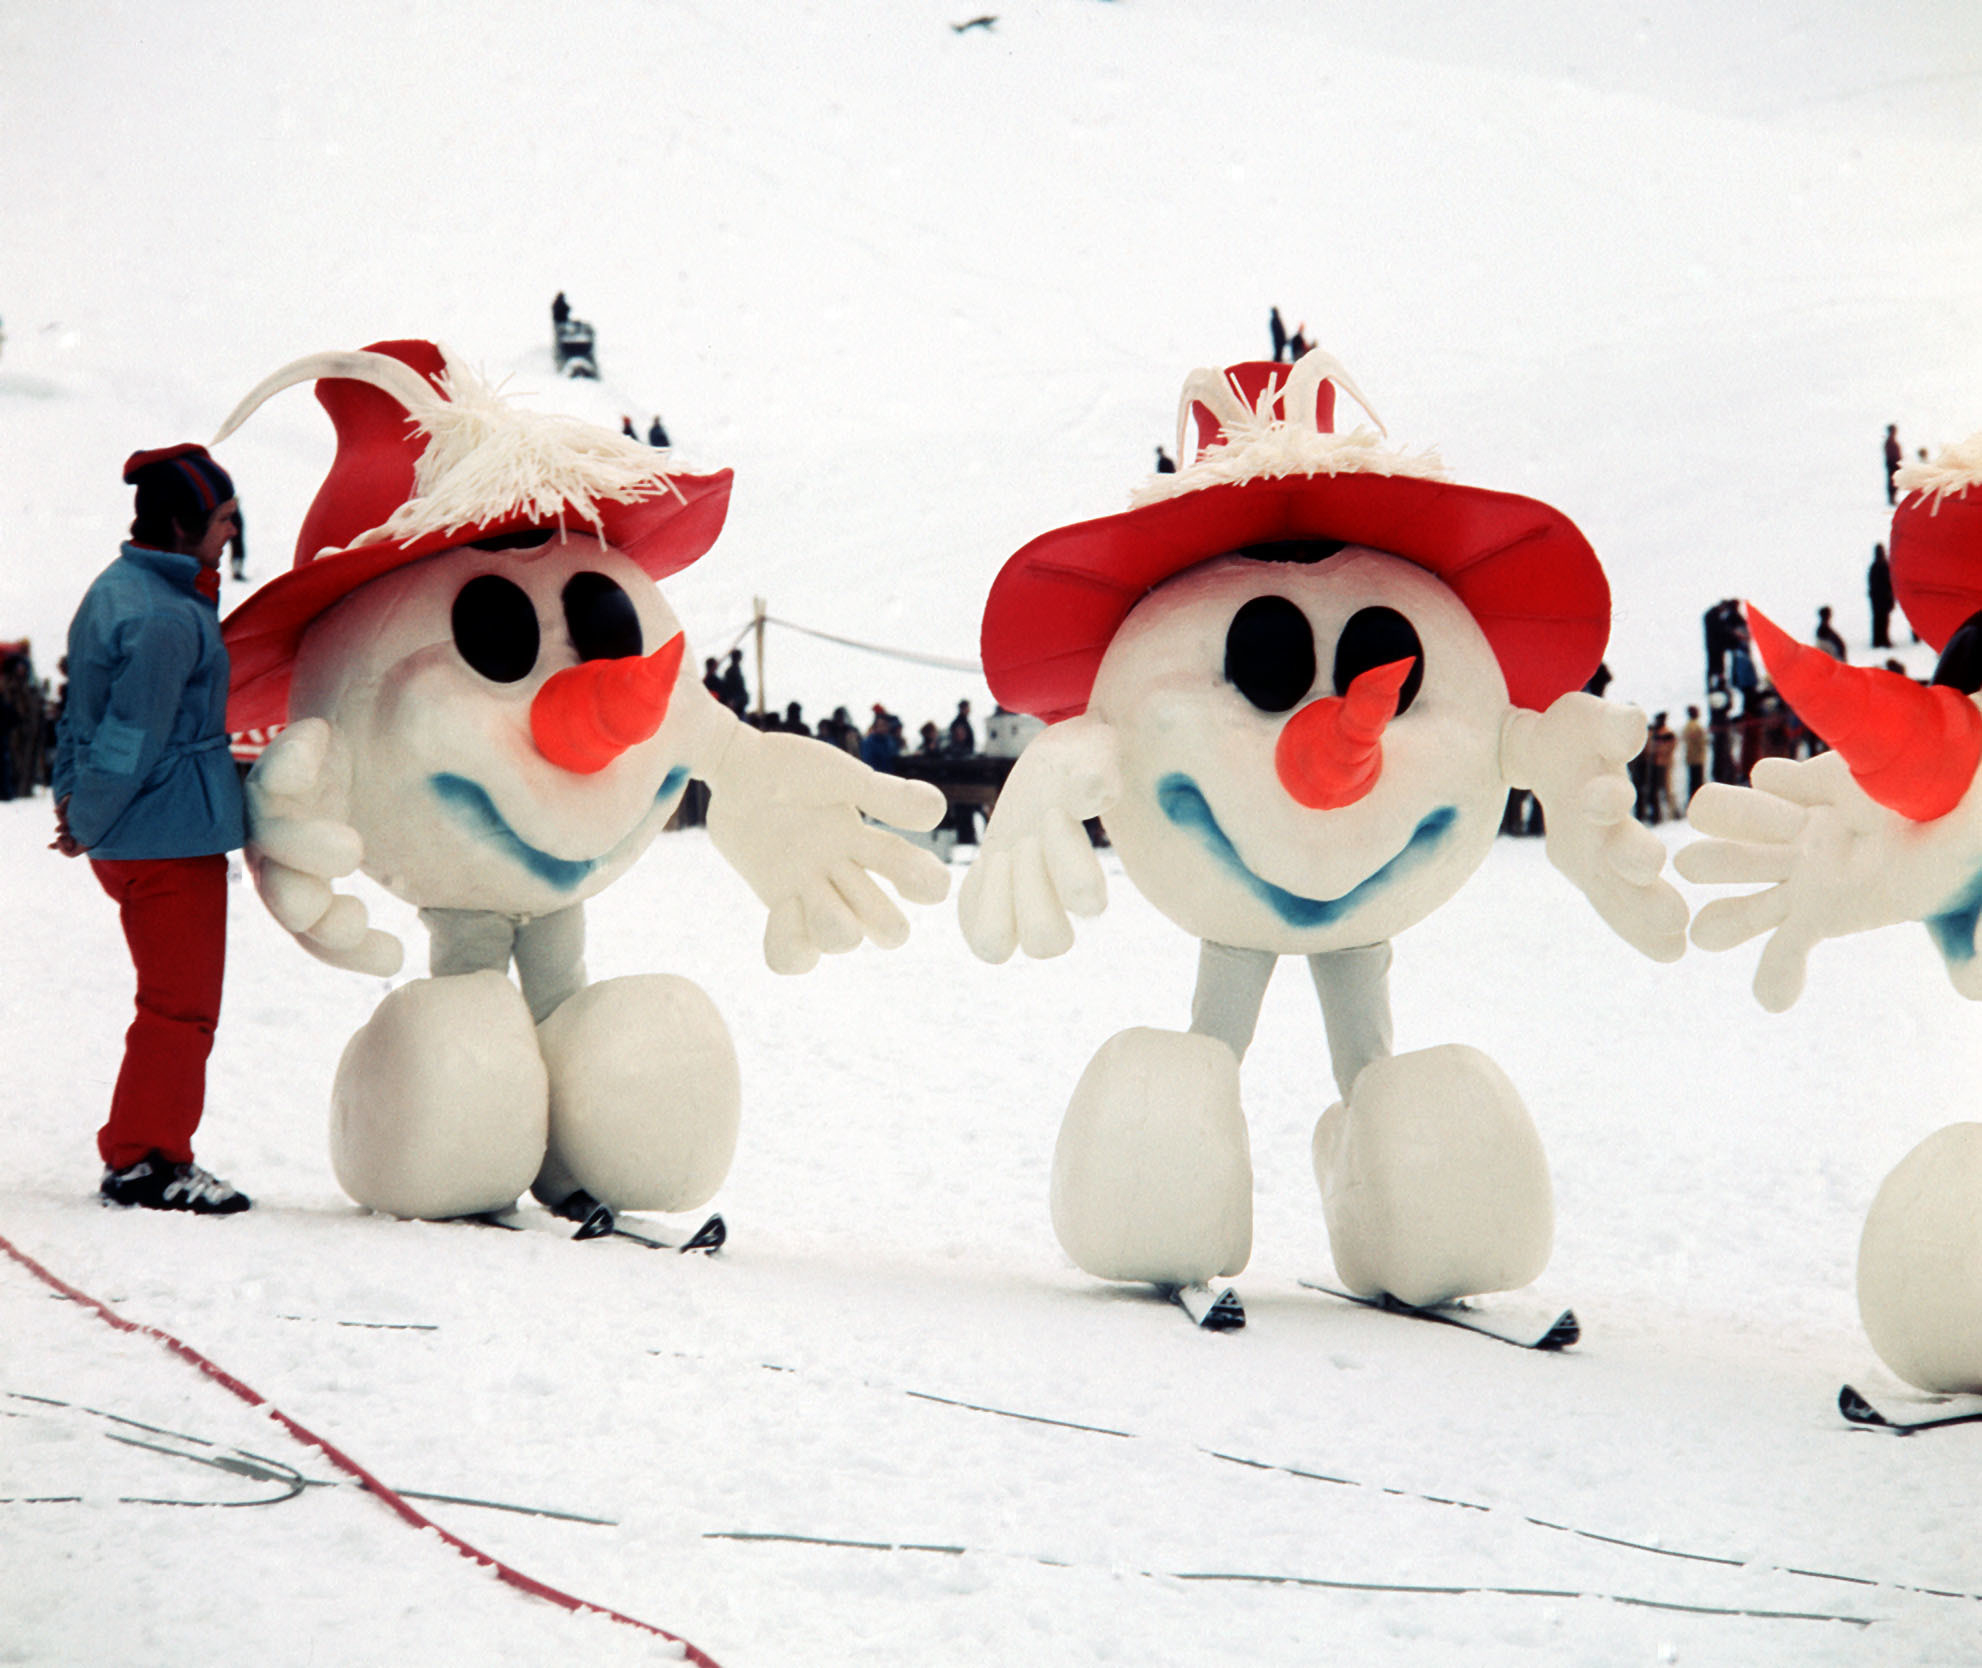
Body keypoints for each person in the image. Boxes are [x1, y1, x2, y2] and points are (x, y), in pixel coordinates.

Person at [51, 445, 250, 1214]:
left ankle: (148, 1150)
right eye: (224, 519)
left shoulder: (122, 589)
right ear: (181, 522)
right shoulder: (167, 617)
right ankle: (146, 1160)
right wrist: (88, 819)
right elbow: (132, 734)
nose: (232, 532)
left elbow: (85, 715)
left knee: (168, 1000)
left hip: (140, 827)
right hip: (167, 836)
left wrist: (78, 803)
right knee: (180, 1007)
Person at [1679, 705, 1708, 806]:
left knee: (1692, 781)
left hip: (1690, 757)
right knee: (1697, 781)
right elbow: (1702, 742)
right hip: (1698, 758)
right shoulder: (1697, 726)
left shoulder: (1687, 726)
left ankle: (1692, 801)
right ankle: (1698, 802)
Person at [1868, 543, 1894, 649]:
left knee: (1883, 620)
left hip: (1882, 598)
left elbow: (1890, 583)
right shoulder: (1877, 567)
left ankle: (1881, 640)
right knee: (1879, 619)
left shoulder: (1880, 566)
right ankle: (1879, 640)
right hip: (1879, 598)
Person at [1884, 423, 1902, 505]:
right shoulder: (1890, 441)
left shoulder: (1891, 441)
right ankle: (1892, 499)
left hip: (1893, 464)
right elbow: (1892, 455)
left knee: (1894, 481)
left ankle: (1892, 498)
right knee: (1893, 481)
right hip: (1892, 464)